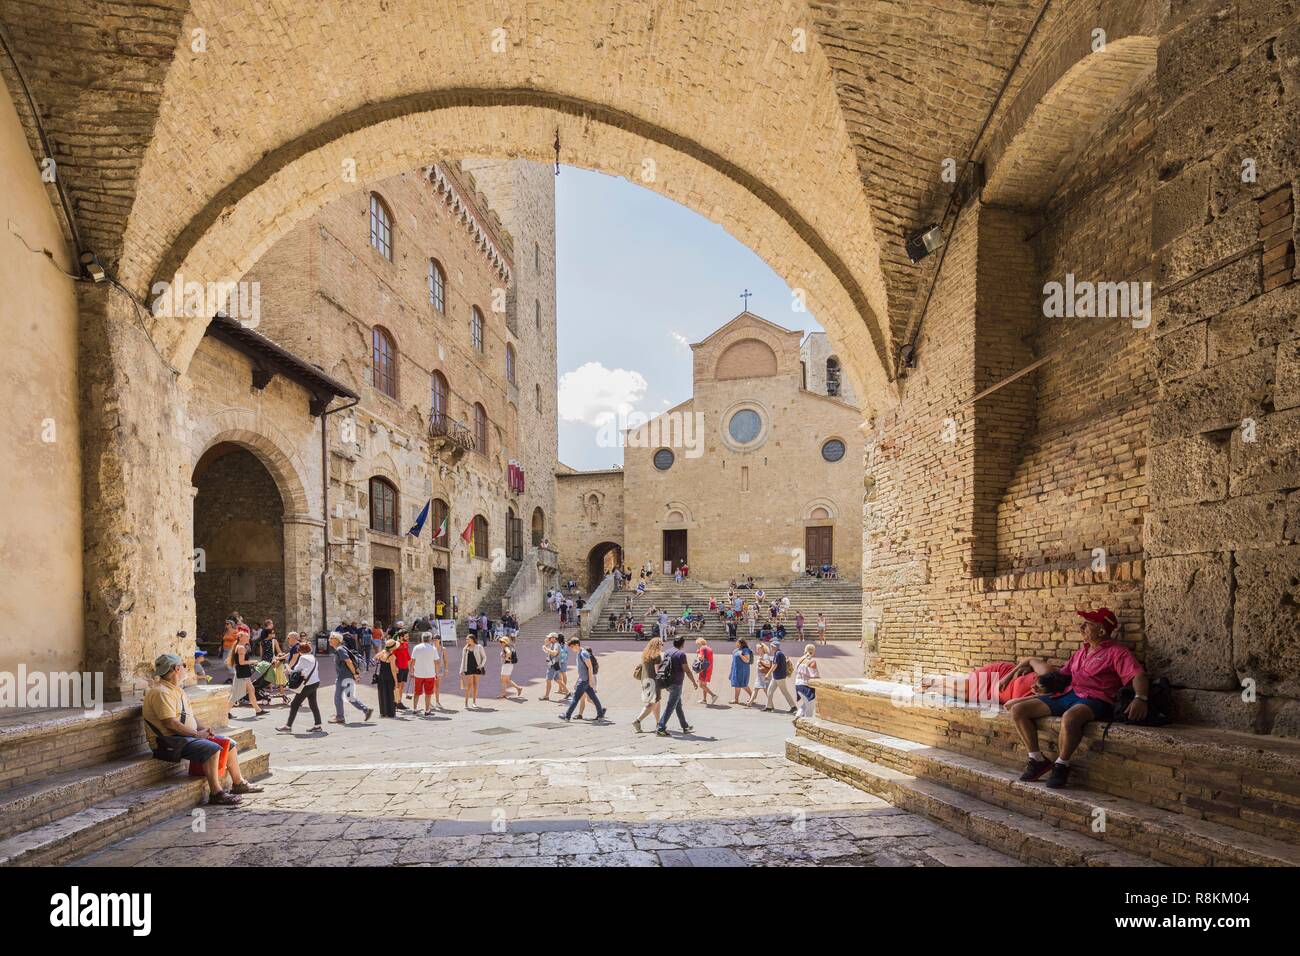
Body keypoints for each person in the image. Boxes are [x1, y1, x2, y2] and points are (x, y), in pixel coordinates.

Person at [1007, 608, 1148, 789]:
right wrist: (1041, 684)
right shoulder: (1081, 653)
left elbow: (1137, 675)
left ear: (1102, 631)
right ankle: (1037, 759)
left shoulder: (1117, 652)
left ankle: (1061, 765)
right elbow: (1063, 676)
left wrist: (1140, 698)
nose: (1081, 627)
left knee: (1070, 717)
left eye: (1087, 624)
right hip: (1069, 694)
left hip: (1097, 699)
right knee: (1018, 710)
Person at [144, 654, 261, 806]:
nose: (187, 669)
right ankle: (216, 793)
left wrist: (203, 729)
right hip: (168, 741)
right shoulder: (161, 692)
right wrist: (198, 734)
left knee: (229, 743)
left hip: (184, 737)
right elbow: (170, 724)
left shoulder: (176, 690)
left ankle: (238, 783)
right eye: (184, 666)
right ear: (176, 669)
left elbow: (189, 716)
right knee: (211, 748)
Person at [655, 637, 697, 737]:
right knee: (671, 706)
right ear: (682, 644)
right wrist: (693, 682)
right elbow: (686, 669)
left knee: (678, 705)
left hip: (668, 681)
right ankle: (661, 727)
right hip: (677, 683)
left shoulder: (668, 651)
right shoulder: (681, 654)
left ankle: (685, 726)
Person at [277, 640, 322, 733]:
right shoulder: (313, 657)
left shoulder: (303, 658)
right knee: (313, 703)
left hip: (307, 684)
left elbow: (295, 671)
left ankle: (288, 726)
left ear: (299, 650)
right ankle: (318, 725)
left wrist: (286, 666)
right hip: (315, 682)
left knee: (294, 704)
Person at [328, 632, 373, 725]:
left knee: (338, 697)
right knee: (350, 697)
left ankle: (340, 717)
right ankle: (366, 710)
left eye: (331, 638)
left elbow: (348, 661)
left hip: (343, 677)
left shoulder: (340, 649)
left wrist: (355, 674)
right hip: (347, 676)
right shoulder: (341, 648)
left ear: (336, 640)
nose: (329, 640)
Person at [560, 638, 606, 721]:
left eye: (572, 647)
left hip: (584, 680)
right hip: (585, 680)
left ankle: (567, 716)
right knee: (594, 698)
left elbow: (590, 667)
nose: (571, 649)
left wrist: (590, 680)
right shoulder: (579, 653)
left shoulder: (583, 653)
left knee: (575, 698)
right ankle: (600, 715)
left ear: (577, 645)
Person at [227, 630, 266, 718]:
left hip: (244, 674)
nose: (249, 638)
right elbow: (241, 662)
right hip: (242, 674)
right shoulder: (241, 647)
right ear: (241, 638)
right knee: (235, 695)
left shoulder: (241, 646)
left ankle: (258, 710)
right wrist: (253, 661)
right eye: (246, 636)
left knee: (251, 690)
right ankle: (225, 712)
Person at [633, 637, 664, 734]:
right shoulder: (657, 656)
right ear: (657, 645)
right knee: (652, 704)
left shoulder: (645, 654)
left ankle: (658, 723)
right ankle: (637, 721)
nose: (662, 646)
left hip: (645, 681)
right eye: (661, 644)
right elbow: (657, 671)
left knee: (657, 702)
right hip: (653, 681)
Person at [409, 632, 445, 715]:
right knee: (428, 693)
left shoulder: (416, 648)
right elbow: (436, 662)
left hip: (418, 673)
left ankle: (414, 709)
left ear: (422, 639)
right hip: (430, 674)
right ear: (430, 639)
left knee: (416, 692)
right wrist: (436, 673)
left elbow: (413, 661)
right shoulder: (433, 649)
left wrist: (411, 671)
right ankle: (427, 710)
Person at [764, 640, 796, 713]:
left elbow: (775, 665)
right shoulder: (778, 653)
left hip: (779, 676)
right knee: (770, 691)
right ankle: (768, 707)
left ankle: (793, 707)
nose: (770, 648)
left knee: (784, 692)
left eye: (771, 646)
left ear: (774, 647)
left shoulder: (778, 654)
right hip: (777, 676)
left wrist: (768, 674)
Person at [374, 639, 399, 719]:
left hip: (381, 676)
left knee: (382, 694)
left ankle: (383, 712)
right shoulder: (392, 657)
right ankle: (390, 712)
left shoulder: (382, 653)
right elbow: (393, 670)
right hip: (389, 677)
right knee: (390, 695)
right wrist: (396, 681)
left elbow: (375, 658)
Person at [460, 633, 486, 709]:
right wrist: (461, 669)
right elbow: (463, 659)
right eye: (466, 639)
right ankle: (466, 703)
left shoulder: (479, 647)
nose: (466, 640)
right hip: (468, 668)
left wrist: (481, 665)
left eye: (468, 639)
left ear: (472, 639)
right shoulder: (465, 648)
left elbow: (484, 657)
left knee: (475, 685)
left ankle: (474, 702)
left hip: (477, 668)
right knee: (469, 685)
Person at [794, 644, 820, 718]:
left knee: (805, 703)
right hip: (806, 686)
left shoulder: (800, 659)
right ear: (813, 651)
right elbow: (814, 676)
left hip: (798, 684)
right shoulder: (812, 661)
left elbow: (795, 670)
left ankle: (798, 716)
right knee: (810, 707)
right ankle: (807, 723)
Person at [693, 637, 718, 705]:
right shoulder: (708, 648)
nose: (697, 646)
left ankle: (713, 695)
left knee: (701, 685)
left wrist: (698, 654)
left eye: (697, 644)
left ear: (700, 643)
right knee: (704, 684)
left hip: (704, 669)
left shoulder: (702, 648)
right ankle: (704, 699)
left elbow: (701, 657)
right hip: (708, 668)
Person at [729, 638, 754, 704]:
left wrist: (740, 655)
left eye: (737, 642)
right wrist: (731, 671)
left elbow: (747, 660)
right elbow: (733, 661)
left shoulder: (745, 650)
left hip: (743, 670)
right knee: (737, 684)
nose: (736, 643)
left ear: (741, 643)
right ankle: (736, 699)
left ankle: (752, 697)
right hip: (736, 669)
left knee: (743, 684)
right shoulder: (736, 650)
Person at [393, 631, 412, 710]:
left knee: (402, 686)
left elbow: (408, 656)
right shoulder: (395, 645)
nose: (408, 638)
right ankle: (395, 702)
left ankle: (399, 702)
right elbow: (392, 656)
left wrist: (411, 667)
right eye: (406, 636)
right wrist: (395, 667)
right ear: (401, 637)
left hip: (405, 668)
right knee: (397, 686)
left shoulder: (406, 644)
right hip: (399, 668)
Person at [541, 633, 563, 700]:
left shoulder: (556, 645)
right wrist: (545, 645)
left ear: (554, 638)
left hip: (553, 665)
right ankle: (568, 692)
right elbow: (548, 652)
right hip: (553, 664)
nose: (549, 639)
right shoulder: (552, 644)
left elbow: (554, 653)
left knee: (548, 680)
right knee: (558, 680)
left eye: (550, 638)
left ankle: (546, 696)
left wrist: (546, 648)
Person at [754, 641, 772, 706]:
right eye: (756, 648)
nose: (757, 650)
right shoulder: (762, 656)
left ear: (762, 649)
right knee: (757, 689)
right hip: (761, 676)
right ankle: (750, 702)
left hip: (765, 676)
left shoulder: (765, 656)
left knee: (766, 691)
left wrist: (761, 661)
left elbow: (768, 665)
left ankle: (771, 705)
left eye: (758, 648)